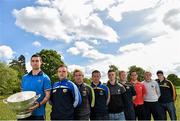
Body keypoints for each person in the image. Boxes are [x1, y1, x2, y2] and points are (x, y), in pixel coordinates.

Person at [21, 54, 51, 120]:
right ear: (30, 63)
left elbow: (47, 96)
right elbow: (22, 93)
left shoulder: (45, 78)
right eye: (33, 61)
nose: (35, 63)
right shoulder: (24, 77)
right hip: (24, 113)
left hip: (38, 114)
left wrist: (39, 104)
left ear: (41, 62)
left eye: (37, 61)